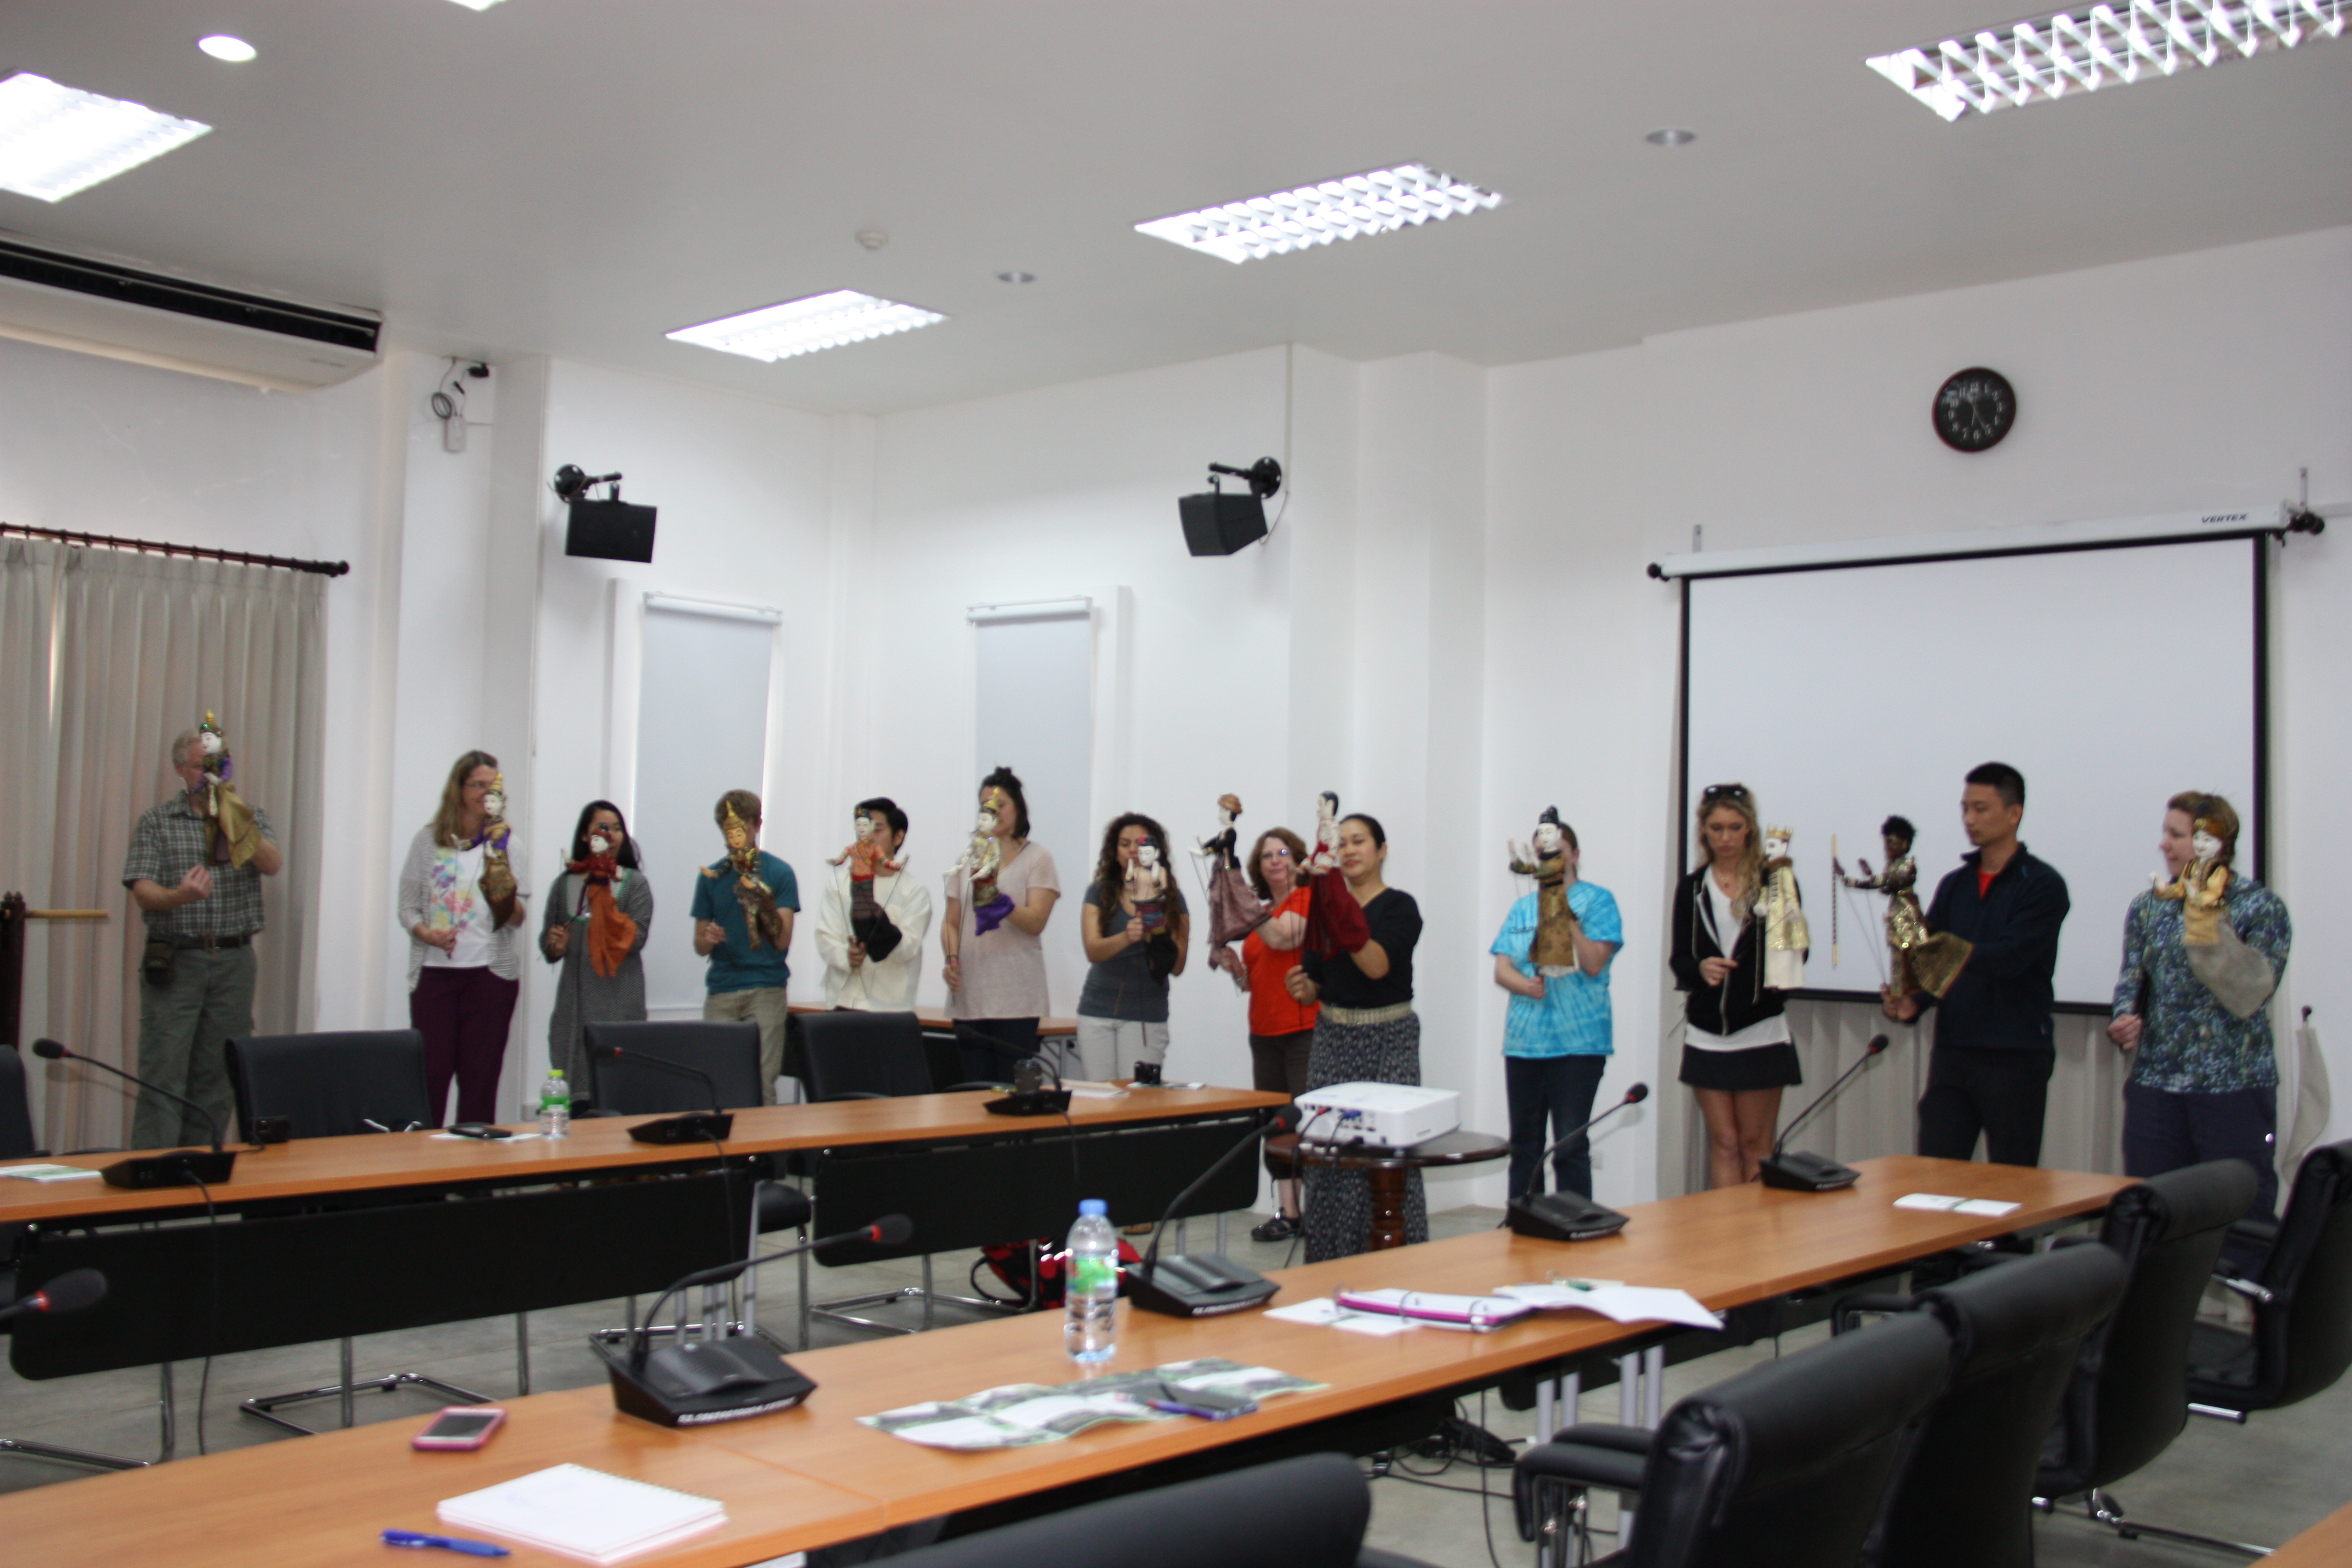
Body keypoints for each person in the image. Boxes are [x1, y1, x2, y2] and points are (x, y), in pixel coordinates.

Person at [2108, 792, 2290, 1267]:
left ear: (2214, 842)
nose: (2165, 844)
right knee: (2154, 1217)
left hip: (2233, 1088)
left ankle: (2257, 1309)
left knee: (2243, 1222)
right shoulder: (2149, 907)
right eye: (2165, 833)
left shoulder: (2260, 907)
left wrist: (2206, 918)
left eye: (2177, 834)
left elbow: (2252, 993)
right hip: (2157, 1085)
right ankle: (2154, 1313)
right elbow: (2132, 979)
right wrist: (2125, 1017)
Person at [1885, 762, 2071, 1167]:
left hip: (2015, 1053)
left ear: (2014, 813)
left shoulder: (2042, 884)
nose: (1969, 819)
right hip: (1954, 1050)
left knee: (2011, 1180)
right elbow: (1935, 966)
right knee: (1936, 1173)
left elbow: (2010, 958)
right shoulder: (1956, 884)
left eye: (1981, 808)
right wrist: (1915, 1000)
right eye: (1965, 808)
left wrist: (1944, 946)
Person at [121, 725, 285, 1147]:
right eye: (201, 767)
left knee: (218, 1075)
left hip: (234, 961)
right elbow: (143, 891)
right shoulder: (157, 822)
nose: (212, 775)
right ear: (180, 770)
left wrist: (234, 820)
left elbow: (272, 863)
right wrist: (180, 896)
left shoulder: (249, 815)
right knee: (164, 1073)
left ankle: (202, 1168)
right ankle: (155, 1175)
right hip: (178, 960)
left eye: (219, 766)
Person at [1282, 813, 1424, 1261]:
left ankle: (1391, 1258)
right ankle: (1329, 1259)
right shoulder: (1324, 909)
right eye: (1340, 843)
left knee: (1386, 1149)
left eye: (1358, 841)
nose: (1347, 850)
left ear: (1381, 851)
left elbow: (1376, 966)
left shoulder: (1400, 907)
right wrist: (1304, 986)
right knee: (1328, 1150)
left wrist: (1336, 904)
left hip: (1389, 1038)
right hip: (1333, 1038)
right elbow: (1316, 980)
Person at [1670, 783, 1801, 1188]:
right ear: (1704, 832)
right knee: (1724, 1143)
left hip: (1760, 1028)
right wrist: (1700, 969)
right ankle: (1725, 1226)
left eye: (1734, 828)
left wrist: (1782, 925)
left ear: (1750, 830)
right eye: (1716, 828)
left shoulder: (1775, 881)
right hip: (1708, 1032)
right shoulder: (1693, 887)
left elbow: (1798, 954)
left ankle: (1757, 1228)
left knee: (1754, 1144)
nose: (1725, 838)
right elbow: (1679, 961)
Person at [1494, 813, 1623, 1201]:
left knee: (1569, 1146)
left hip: (1578, 1044)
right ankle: (1522, 1219)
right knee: (1524, 1146)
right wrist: (1526, 986)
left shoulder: (1598, 901)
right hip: (1524, 1043)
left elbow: (1594, 963)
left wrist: (1563, 913)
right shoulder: (1522, 908)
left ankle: (1574, 1222)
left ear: (1575, 855)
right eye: (1541, 853)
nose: (1548, 859)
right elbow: (1502, 969)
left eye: (1556, 852)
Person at [399, 750, 529, 1125]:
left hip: (490, 978)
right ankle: (427, 1163)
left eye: (493, 787)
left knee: (479, 1083)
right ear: (458, 789)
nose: (486, 794)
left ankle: (476, 1162)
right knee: (430, 1079)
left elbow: (518, 918)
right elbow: (407, 907)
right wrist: (426, 933)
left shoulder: (508, 845)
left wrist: (501, 888)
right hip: (435, 977)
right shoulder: (427, 842)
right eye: (477, 785)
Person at [942, 767, 1060, 1081]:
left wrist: (1001, 902)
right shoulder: (968, 859)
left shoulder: (1037, 857)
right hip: (969, 995)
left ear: (1017, 809)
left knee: (1010, 1089)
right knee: (974, 1090)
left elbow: (1036, 922)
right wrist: (951, 958)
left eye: (1001, 804)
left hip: (1015, 999)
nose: (992, 811)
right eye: (985, 805)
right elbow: (951, 922)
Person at [690, 790, 798, 1105]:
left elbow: (783, 940)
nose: (733, 836)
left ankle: (760, 1139)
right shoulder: (711, 877)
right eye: (727, 829)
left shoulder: (779, 873)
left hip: (766, 987)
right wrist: (708, 937)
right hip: (722, 988)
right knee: (716, 1082)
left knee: (761, 1082)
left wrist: (762, 901)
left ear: (757, 825)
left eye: (740, 827)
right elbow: (699, 945)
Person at [540, 800, 652, 1088]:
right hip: (574, 1008)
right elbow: (548, 946)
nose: (611, 835)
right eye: (603, 828)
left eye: (617, 829)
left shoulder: (634, 884)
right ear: (584, 835)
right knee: (575, 1092)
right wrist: (556, 945)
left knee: (617, 1089)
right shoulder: (565, 884)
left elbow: (637, 940)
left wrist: (604, 907)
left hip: (620, 1004)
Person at [1074, 813, 1190, 1082]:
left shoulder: (1172, 898)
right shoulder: (1099, 891)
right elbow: (1093, 950)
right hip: (1097, 1011)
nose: (1133, 851)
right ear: (1115, 851)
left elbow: (1178, 967)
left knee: (1138, 1098)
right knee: (1101, 1098)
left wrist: (1159, 935)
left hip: (1146, 1017)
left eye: (1140, 844)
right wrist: (1126, 937)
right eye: (1125, 844)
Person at [1240, 826, 1315, 1241]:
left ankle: (1315, 1209)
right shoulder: (1263, 913)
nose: (1275, 861)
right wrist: (1237, 970)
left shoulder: (1306, 899)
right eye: (1267, 855)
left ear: (1298, 860)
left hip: (1302, 1030)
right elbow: (1257, 974)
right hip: (1264, 1031)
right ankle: (1288, 1212)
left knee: (1305, 1121)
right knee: (1274, 1124)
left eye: (1283, 853)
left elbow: (1285, 937)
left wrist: (1242, 905)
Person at [815, 796, 932, 1011]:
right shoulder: (840, 884)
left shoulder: (914, 891)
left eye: (877, 830)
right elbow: (825, 936)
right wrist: (847, 956)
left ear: (898, 837)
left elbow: (908, 947)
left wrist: (882, 931)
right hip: (841, 1001)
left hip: (887, 1008)